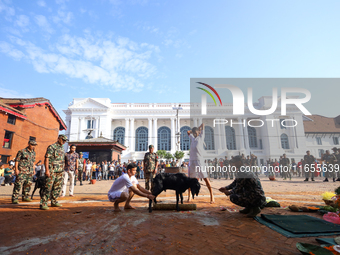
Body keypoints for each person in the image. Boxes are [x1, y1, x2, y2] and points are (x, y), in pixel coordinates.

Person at [187, 123, 215, 204]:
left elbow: (203, 124)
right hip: (192, 160)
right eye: (194, 133)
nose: (195, 134)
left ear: (198, 133)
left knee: (205, 178)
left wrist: (198, 129)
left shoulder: (201, 137)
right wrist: (192, 131)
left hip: (199, 160)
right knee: (190, 179)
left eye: (196, 133)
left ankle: (212, 196)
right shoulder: (192, 138)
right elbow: (188, 132)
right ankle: (189, 196)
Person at [40, 134, 68, 210]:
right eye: (63, 140)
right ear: (59, 138)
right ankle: (43, 203)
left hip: (60, 171)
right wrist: (47, 170)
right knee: (48, 187)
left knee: (57, 187)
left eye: (65, 141)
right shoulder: (51, 147)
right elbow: (47, 158)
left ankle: (54, 201)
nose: (64, 142)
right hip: (52, 171)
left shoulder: (62, 148)